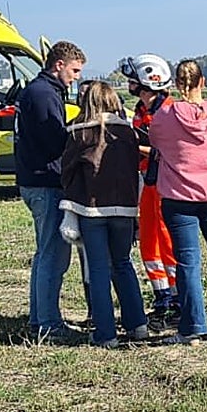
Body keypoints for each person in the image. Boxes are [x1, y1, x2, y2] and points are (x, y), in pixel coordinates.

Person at [148, 59, 207, 345]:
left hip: (179, 198)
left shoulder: (164, 117)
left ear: (177, 84)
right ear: (203, 81)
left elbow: (155, 143)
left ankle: (192, 328)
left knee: (188, 262)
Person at [59, 81, 149, 348]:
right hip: (125, 208)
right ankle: (138, 324)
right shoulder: (127, 132)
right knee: (123, 263)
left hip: (91, 208)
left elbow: (67, 171)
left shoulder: (78, 132)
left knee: (98, 269)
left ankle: (105, 334)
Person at [15, 40, 86, 341]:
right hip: (45, 182)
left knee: (45, 253)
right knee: (54, 257)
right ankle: (49, 324)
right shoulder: (44, 94)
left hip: (35, 180)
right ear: (59, 65)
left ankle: (39, 318)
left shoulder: (39, 90)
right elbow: (55, 141)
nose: (76, 77)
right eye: (74, 70)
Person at [121, 53, 179, 330]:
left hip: (165, 181)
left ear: (147, 80)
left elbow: (169, 150)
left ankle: (179, 300)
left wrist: (133, 146)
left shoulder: (168, 111)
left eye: (133, 79)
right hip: (147, 180)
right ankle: (162, 297)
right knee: (148, 239)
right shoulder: (141, 110)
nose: (129, 83)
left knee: (167, 240)